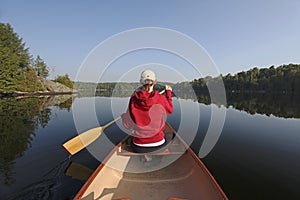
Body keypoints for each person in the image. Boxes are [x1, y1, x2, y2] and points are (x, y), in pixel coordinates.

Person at [121, 69, 173, 159]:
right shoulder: (160, 98)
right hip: (158, 146)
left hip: (139, 147)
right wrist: (168, 93)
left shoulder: (133, 99)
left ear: (141, 82)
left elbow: (128, 125)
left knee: (130, 139)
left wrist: (124, 116)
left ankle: (146, 157)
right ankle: (155, 157)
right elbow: (169, 110)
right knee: (170, 135)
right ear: (155, 82)